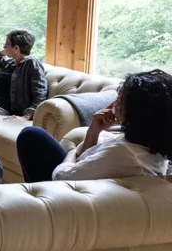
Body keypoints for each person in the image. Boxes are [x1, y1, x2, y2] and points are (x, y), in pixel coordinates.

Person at [16, 70, 172, 183]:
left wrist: (72, 152)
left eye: (121, 100)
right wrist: (94, 132)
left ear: (138, 111)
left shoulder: (124, 154)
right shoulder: (149, 145)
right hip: (84, 180)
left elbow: (61, 177)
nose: (114, 104)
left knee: (31, 136)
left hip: (65, 198)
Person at [0, 29, 48, 119]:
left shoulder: (31, 64)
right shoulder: (11, 63)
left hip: (0, 107)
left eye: (6, 44)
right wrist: (2, 52)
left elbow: (40, 93)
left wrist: (27, 116)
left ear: (16, 48)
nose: (4, 46)